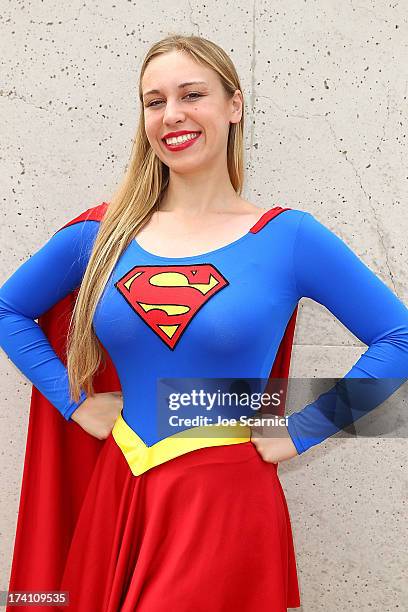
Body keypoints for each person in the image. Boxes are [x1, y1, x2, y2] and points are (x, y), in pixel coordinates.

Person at [0, 34, 407, 612]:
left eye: (192, 94)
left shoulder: (287, 237)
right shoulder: (100, 235)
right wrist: (76, 402)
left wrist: (303, 428)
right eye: (154, 100)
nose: (173, 115)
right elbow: (8, 309)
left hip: (224, 499)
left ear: (233, 105)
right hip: (120, 490)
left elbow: (400, 338)